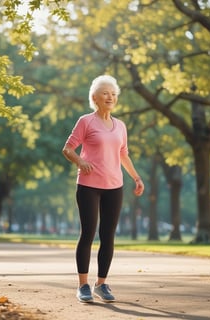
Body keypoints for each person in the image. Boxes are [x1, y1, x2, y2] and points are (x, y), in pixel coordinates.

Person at [62, 75, 144, 303]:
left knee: (108, 236)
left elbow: (123, 154)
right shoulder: (86, 121)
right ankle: (83, 285)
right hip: (88, 186)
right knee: (88, 234)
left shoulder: (120, 126)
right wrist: (80, 162)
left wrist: (136, 177)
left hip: (114, 187)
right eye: (106, 93)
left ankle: (102, 284)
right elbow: (67, 149)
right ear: (95, 98)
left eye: (114, 93)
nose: (110, 97)